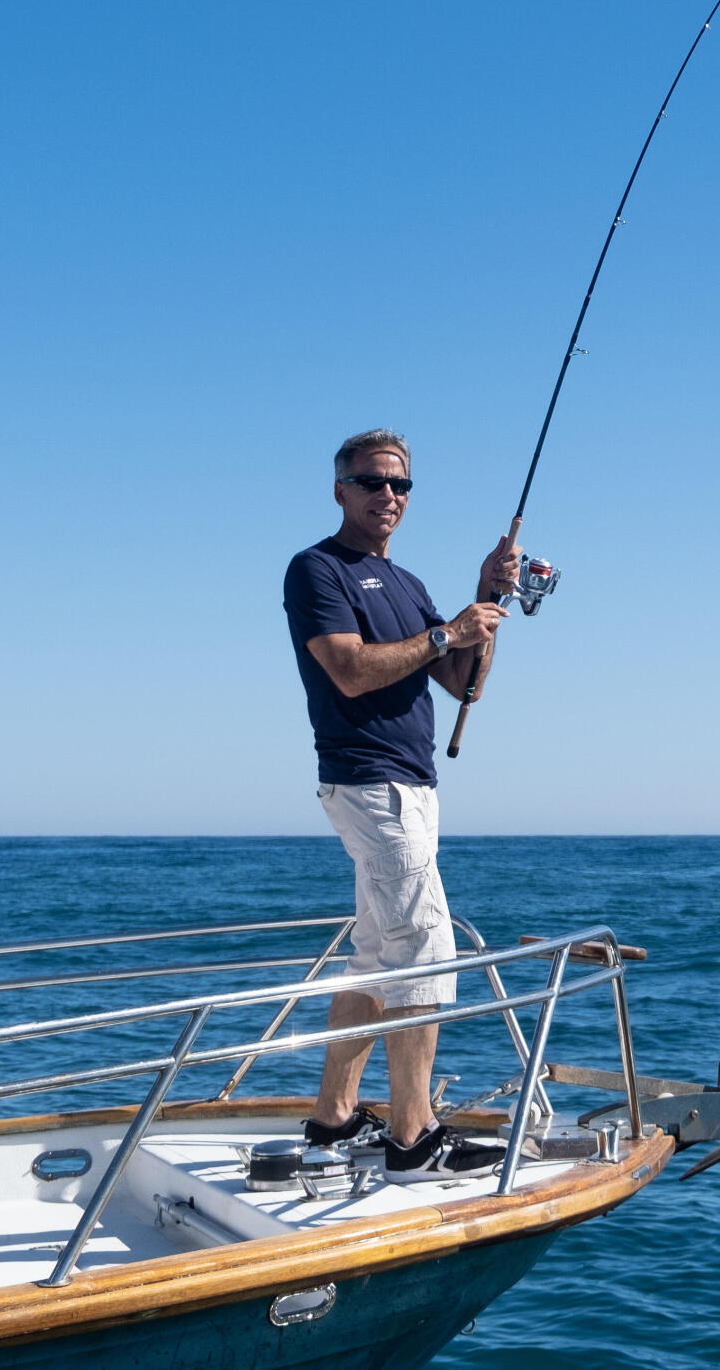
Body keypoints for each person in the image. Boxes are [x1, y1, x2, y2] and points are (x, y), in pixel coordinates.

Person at [282, 428, 520, 1181]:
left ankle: (335, 1119)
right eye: (374, 481)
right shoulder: (317, 569)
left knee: (378, 955)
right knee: (426, 947)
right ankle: (414, 1137)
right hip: (368, 779)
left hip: (413, 784)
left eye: (402, 485)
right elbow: (350, 671)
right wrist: (448, 629)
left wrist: (485, 600)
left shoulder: (411, 584)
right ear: (341, 488)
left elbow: (464, 685)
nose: (389, 495)